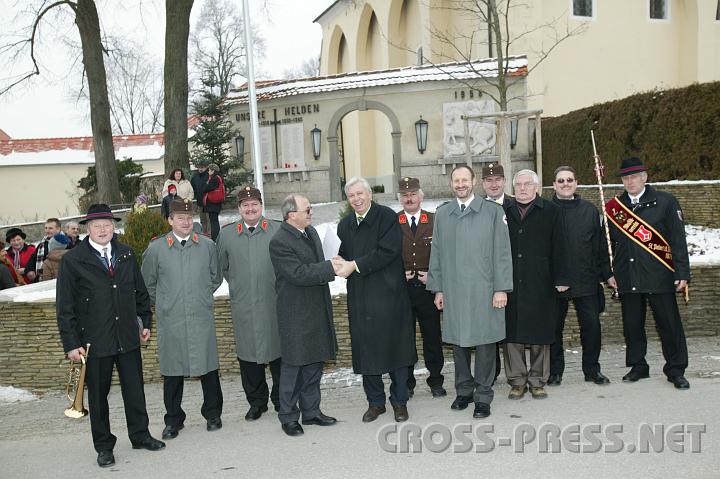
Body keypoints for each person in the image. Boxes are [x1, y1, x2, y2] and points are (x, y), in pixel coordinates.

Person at [55, 204, 165, 468]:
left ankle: (140, 435)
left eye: (107, 225)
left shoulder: (126, 253)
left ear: (113, 227)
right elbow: (65, 307)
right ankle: (104, 446)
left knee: (134, 390)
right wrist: (72, 344)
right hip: (94, 341)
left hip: (127, 336)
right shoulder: (73, 260)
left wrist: (145, 322)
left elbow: (140, 293)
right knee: (98, 397)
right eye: (96, 226)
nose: (103, 230)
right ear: (87, 229)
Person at [427, 165, 513, 419]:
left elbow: (502, 253)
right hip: (453, 290)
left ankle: (483, 396)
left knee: (486, 343)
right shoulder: (443, 214)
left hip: (484, 290)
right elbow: (437, 254)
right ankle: (464, 391)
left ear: (474, 182)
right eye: (456, 180)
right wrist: (438, 288)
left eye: (465, 179)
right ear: (452, 183)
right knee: (459, 342)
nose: (461, 184)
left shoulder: (493, 212)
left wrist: (501, 288)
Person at [141, 198, 224, 440]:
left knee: (208, 367)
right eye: (180, 218)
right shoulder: (156, 249)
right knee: (172, 372)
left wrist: (199, 297)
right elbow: (148, 284)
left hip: (200, 316)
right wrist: (166, 303)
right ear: (170, 220)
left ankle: (213, 414)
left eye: (189, 218)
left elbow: (215, 277)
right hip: (172, 319)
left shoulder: (207, 246)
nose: (186, 222)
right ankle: (174, 419)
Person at [335, 177, 416, 423]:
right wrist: (339, 261)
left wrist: (354, 265)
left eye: (361, 194)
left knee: (397, 349)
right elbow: (345, 253)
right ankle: (375, 402)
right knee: (367, 350)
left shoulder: (387, 217)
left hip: (389, 294)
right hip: (361, 296)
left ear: (370, 194)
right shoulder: (345, 224)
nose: (357, 199)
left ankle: (399, 401)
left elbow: (388, 251)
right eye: (352, 196)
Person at [605, 157, 690, 389]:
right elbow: (607, 244)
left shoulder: (666, 202)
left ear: (644, 177)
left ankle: (676, 369)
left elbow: (678, 241)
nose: (630, 182)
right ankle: (638, 366)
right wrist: (608, 272)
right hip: (627, 275)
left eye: (634, 177)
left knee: (669, 324)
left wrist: (682, 271)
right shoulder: (615, 208)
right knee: (632, 324)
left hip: (660, 275)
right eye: (625, 178)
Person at [269, 194, 339, 437]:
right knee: (293, 367)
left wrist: (328, 266)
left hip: (316, 308)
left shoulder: (310, 233)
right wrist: (331, 267)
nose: (311, 212)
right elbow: (297, 273)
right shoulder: (279, 241)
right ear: (291, 215)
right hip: (295, 313)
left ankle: (311, 412)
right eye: (307, 209)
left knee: (314, 364)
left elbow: (313, 267)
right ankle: (288, 417)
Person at [216, 186, 282, 421]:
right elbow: (222, 266)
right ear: (239, 208)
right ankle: (257, 402)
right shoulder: (227, 235)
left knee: (278, 354)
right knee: (248, 356)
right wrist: (239, 284)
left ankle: (281, 399)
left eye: (254, 204)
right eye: (245, 205)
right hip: (244, 304)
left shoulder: (277, 230)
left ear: (261, 206)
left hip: (274, 302)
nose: (250, 208)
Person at [504, 170, 569, 400]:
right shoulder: (504, 211)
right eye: (518, 184)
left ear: (537, 187)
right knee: (512, 334)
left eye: (527, 184)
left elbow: (560, 245)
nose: (522, 188)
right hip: (511, 282)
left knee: (541, 333)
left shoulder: (552, 211)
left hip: (542, 281)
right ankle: (517, 381)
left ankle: (538, 381)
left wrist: (562, 278)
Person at [548, 166, 612, 386]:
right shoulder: (546, 210)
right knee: (553, 328)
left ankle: (592, 370)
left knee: (592, 327)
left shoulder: (590, 210)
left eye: (570, 180)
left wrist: (607, 274)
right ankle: (555, 371)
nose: (566, 184)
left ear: (576, 183)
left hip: (586, 279)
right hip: (556, 283)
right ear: (554, 184)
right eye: (561, 180)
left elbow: (600, 247)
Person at [396, 177, 446, 398]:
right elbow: (387, 255)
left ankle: (436, 381)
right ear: (400, 199)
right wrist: (399, 275)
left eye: (413, 194)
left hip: (428, 290)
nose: (409, 198)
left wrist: (435, 278)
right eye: (405, 195)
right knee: (405, 339)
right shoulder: (392, 222)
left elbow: (444, 255)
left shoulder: (435, 221)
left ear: (421, 196)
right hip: (403, 292)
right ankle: (407, 383)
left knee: (432, 337)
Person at [480, 162, 513, 382]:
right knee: (489, 327)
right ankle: (492, 373)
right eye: (489, 180)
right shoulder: (478, 207)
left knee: (510, 327)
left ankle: (514, 374)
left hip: (510, 275)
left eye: (497, 179)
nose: (493, 184)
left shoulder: (515, 205)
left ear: (504, 181)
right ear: (482, 184)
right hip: (485, 279)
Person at [25, 218, 62, 282]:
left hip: (59, 277)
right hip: (43, 278)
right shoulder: (42, 244)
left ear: (58, 229)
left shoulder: (65, 242)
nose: (47, 231)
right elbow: (33, 258)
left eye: (50, 228)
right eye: (46, 228)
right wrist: (29, 270)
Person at [203, 163, 224, 241]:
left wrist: (206, 185)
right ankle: (216, 237)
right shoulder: (219, 177)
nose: (208, 172)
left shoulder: (215, 178)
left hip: (213, 203)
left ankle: (215, 238)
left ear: (213, 170)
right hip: (216, 202)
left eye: (209, 170)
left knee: (214, 221)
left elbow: (207, 188)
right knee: (214, 221)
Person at [190, 161, 210, 233]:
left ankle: (210, 235)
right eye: (199, 167)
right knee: (203, 220)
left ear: (206, 167)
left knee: (209, 219)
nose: (200, 169)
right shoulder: (195, 177)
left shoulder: (209, 176)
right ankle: (204, 234)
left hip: (209, 201)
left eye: (202, 167)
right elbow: (192, 188)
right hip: (200, 202)